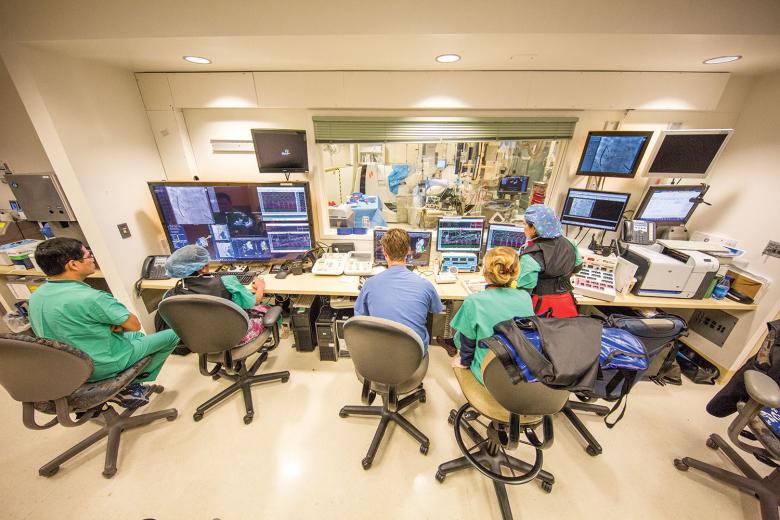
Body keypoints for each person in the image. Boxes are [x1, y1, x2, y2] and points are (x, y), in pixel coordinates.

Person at [28, 238, 180, 408]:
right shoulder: (92, 298)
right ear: (73, 265)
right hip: (100, 366)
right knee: (173, 334)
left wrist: (112, 327)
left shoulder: (37, 296)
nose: (92, 258)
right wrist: (117, 325)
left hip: (69, 368)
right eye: (88, 256)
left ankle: (128, 384)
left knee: (136, 336)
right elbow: (134, 324)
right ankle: (128, 386)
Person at [450, 247, 534, 384]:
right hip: (520, 372)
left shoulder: (474, 302)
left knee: (460, 337)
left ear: (485, 272)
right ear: (516, 272)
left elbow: (468, 344)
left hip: (488, 374)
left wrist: (464, 362)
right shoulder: (525, 297)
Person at [354, 228, 444, 350]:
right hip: (414, 355)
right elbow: (437, 310)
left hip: (379, 352)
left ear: (384, 252)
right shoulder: (425, 285)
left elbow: (360, 317)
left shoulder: (369, 284)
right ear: (408, 251)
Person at [164, 245, 270, 346]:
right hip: (235, 337)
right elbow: (254, 301)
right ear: (203, 268)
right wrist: (260, 286)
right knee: (268, 310)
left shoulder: (177, 290)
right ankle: (267, 341)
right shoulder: (226, 281)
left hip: (201, 340)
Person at [517, 204, 582, 318]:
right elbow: (577, 268)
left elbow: (523, 294)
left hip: (542, 309)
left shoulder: (531, 256)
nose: (524, 227)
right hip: (567, 304)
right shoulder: (570, 243)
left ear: (534, 228)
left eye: (525, 223)